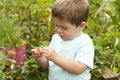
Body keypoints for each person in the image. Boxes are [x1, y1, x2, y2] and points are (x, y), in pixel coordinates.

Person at [32, 0, 94, 80]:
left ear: (81, 26)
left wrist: (55, 57)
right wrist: (40, 58)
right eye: (56, 25)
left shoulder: (84, 42)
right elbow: (47, 64)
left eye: (64, 28)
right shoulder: (56, 38)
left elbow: (79, 68)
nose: (58, 30)